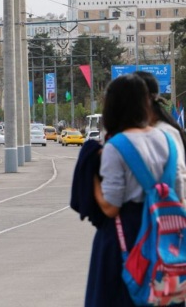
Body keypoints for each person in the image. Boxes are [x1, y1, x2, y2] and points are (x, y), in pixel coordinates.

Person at [86, 74, 185, 306]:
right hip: (166, 245)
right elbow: (179, 196)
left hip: (126, 241)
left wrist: (94, 182)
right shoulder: (169, 139)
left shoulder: (116, 146)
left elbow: (111, 207)